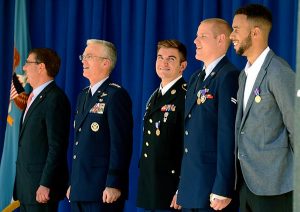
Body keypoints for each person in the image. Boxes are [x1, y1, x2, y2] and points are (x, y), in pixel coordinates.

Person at [230, 4, 294, 211]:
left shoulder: (278, 71)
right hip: (247, 186)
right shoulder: (243, 75)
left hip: (276, 187)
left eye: (236, 29)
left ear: (255, 32)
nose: (232, 36)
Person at [173, 18, 239, 211]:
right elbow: (190, 137)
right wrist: (181, 186)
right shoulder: (195, 79)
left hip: (212, 189)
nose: (195, 41)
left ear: (220, 40)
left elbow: (228, 136)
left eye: (202, 36)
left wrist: (223, 187)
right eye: (196, 36)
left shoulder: (228, 76)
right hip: (191, 187)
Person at [67, 39, 133, 212]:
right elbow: (81, 144)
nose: (83, 60)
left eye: (89, 56)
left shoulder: (115, 95)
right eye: (83, 56)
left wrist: (114, 183)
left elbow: (120, 144)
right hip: (80, 189)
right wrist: (74, 183)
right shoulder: (83, 95)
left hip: (102, 190)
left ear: (105, 62)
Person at [14, 48, 71, 211]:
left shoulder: (55, 98)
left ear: (41, 67)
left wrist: (45, 183)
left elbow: (57, 147)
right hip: (26, 188)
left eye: (27, 62)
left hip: (41, 189)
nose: (24, 67)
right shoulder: (33, 97)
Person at [137, 39, 187, 211]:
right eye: (160, 57)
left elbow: (187, 146)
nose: (164, 62)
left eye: (171, 59)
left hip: (171, 187)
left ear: (183, 66)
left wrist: (183, 186)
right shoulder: (154, 97)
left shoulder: (185, 96)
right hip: (151, 185)